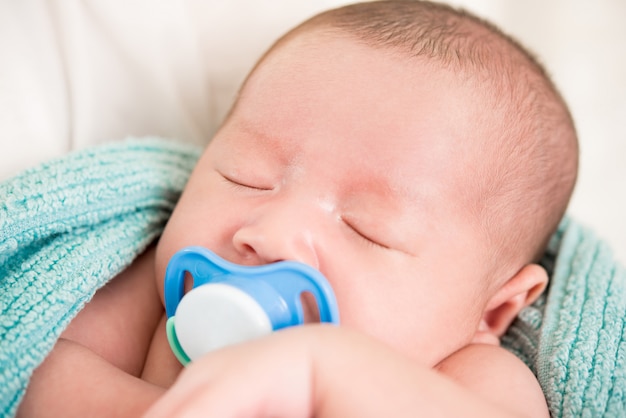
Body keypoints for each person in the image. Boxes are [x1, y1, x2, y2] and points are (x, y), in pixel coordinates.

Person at [16, 0, 578, 416]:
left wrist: (322, 374)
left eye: (367, 230)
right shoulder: (157, 306)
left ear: (493, 313)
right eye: (247, 178)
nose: (273, 235)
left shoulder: (469, 377)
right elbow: (34, 369)